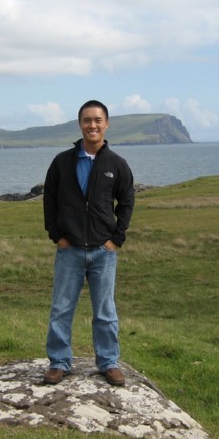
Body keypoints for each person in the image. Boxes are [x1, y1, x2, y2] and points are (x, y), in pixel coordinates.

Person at [42, 100, 135, 387]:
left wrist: (116, 239)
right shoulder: (62, 162)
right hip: (69, 251)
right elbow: (50, 202)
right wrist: (57, 236)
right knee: (61, 308)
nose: (92, 125)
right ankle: (59, 362)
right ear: (79, 124)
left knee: (105, 311)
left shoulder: (117, 164)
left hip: (102, 253)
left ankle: (108, 362)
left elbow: (127, 202)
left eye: (97, 120)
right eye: (86, 120)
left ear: (106, 124)